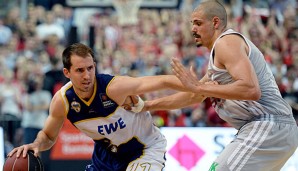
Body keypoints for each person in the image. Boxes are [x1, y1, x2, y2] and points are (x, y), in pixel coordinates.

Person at [141, 1, 298, 171]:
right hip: (272, 129)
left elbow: (251, 90)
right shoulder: (218, 57)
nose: (193, 29)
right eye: (192, 23)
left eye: (198, 23)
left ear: (215, 23)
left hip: (268, 125)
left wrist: (199, 87)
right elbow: (193, 96)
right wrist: (147, 106)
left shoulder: (226, 42)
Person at [7, 42, 200, 171]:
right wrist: (37, 144)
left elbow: (161, 82)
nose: (87, 75)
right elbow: (49, 136)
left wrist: (196, 85)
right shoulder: (62, 101)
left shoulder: (113, 87)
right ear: (67, 72)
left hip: (145, 149)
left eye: (90, 68)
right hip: (106, 157)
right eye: (80, 70)